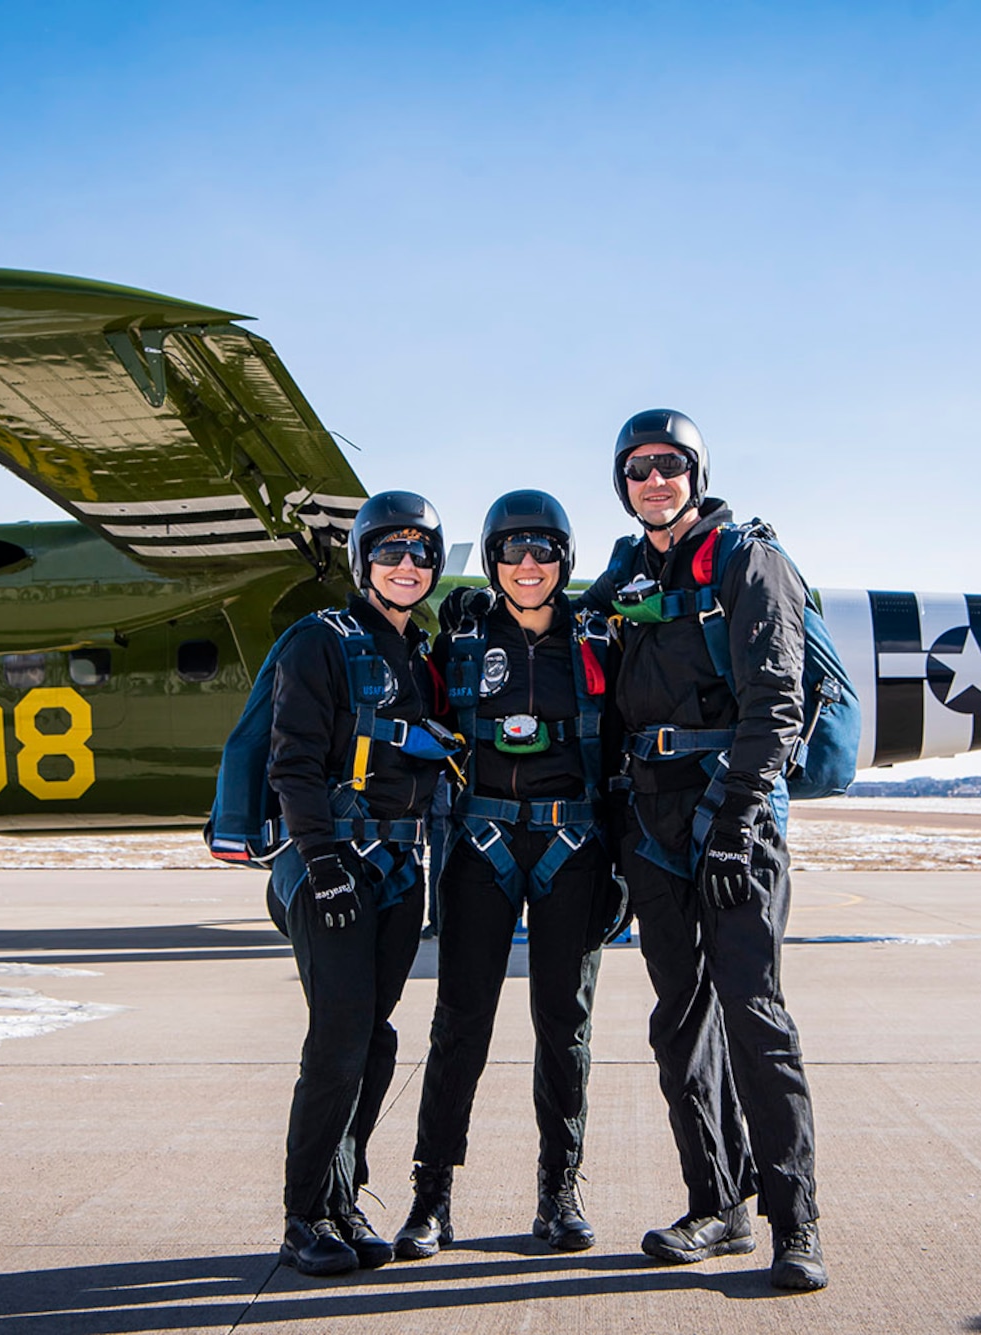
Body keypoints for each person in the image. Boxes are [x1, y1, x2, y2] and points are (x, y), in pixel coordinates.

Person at [582, 409, 829, 1292]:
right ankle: (716, 1203)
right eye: (637, 468)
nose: (653, 480)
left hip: (733, 819)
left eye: (669, 465)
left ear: (695, 470)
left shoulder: (746, 561)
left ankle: (795, 1223)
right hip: (651, 823)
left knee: (754, 1015)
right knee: (678, 1021)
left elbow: (777, 705)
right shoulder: (626, 572)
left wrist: (735, 821)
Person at [394, 491, 621, 1260]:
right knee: (460, 1021)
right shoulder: (458, 635)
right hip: (480, 848)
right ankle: (432, 1195)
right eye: (514, 549)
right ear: (492, 558)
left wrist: (621, 862)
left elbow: (622, 752)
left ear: (566, 558)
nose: (530, 564)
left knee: (565, 1024)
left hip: (574, 850)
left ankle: (558, 1191)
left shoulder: (598, 638)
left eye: (545, 549)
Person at [265, 490, 455, 1277]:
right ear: (363, 561)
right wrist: (323, 861)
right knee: (338, 1043)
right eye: (389, 550)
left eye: (420, 552)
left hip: (397, 873)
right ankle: (303, 1214)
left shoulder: (422, 654)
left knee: (374, 1041)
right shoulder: (320, 641)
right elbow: (292, 763)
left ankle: (344, 1197)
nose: (406, 564)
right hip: (332, 871)